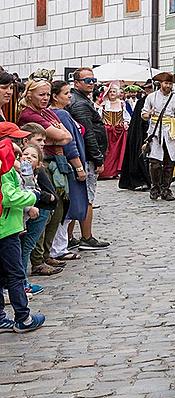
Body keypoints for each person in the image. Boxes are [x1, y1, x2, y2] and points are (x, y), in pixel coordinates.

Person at [17, 78, 76, 269]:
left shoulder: (48, 112)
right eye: (41, 94)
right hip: (41, 163)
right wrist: (54, 140)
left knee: (57, 208)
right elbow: (60, 136)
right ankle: (37, 259)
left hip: (52, 162)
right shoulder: (29, 115)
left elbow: (68, 136)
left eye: (47, 94)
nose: (45, 98)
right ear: (30, 94)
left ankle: (45, 254)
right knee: (45, 207)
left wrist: (57, 137)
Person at [0, 122, 46, 333]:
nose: (20, 144)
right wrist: (33, 196)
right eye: (15, 140)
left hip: (7, 225)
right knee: (16, 274)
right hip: (5, 228)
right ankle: (23, 318)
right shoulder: (4, 167)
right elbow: (9, 197)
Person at [66, 68, 109, 250]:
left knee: (78, 197)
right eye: (87, 80)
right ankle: (86, 236)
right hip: (87, 156)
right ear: (76, 83)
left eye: (93, 80)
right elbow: (88, 133)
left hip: (85, 154)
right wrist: (98, 158)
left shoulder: (81, 100)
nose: (91, 83)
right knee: (87, 197)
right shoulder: (80, 104)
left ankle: (70, 237)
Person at [46, 81, 90, 257]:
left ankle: (60, 246)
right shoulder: (61, 114)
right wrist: (79, 167)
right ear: (55, 97)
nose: (69, 96)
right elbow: (69, 143)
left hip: (70, 164)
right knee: (67, 207)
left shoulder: (62, 113)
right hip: (70, 166)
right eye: (65, 93)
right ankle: (59, 248)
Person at [18, 145, 58, 295]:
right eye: (25, 154)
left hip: (34, 213)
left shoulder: (34, 174)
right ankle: (20, 284)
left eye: (33, 156)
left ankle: (21, 282)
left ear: (40, 164)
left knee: (26, 247)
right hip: (22, 216)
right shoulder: (18, 173)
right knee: (24, 248)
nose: (28, 157)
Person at [141, 72, 175, 201]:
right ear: (160, 83)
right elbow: (143, 115)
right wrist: (149, 113)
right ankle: (155, 188)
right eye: (166, 83)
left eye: (170, 84)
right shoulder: (151, 97)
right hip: (155, 132)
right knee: (154, 162)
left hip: (170, 132)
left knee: (169, 162)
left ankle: (166, 189)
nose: (168, 86)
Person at [119, 84, 152, 191]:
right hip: (142, 133)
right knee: (141, 156)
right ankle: (141, 179)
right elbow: (138, 121)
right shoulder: (141, 102)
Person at [98, 85, 129, 179]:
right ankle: (106, 172)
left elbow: (126, 117)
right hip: (107, 131)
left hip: (119, 131)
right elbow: (99, 117)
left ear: (117, 93)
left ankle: (115, 171)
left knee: (118, 152)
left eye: (114, 92)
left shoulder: (122, 104)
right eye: (110, 92)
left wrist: (126, 123)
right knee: (107, 152)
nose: (112, 93)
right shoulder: (104, 104)